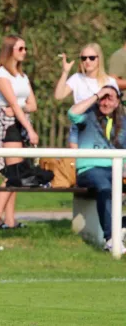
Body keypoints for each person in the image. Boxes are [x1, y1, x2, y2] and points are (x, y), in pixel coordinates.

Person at [68, 86, 126, 253]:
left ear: (117, 103)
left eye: (110, 98)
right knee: (104, 186)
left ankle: (121, 225)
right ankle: (111, 239)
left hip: (115, 169)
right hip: (90, 169)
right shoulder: (87, 116)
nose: (105, 102)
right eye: (103, 98)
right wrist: (97, 94)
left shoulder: (123, 122)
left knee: (110, 184)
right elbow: (72, 113)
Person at [0, 35, 38, 229]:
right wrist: (30, 129)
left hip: (20, 122)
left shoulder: (22, 76)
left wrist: (21, 109)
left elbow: (32, 105)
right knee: (12, 175)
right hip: (9, 125)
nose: (24, 52)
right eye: (20, 48)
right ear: (10, 50)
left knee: (16, 174)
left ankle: (10, 220)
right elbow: (12, 106)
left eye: (25, 48)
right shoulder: (1, 75)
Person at [54, 43, 118, 148]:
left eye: (92, 58)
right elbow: (58, 96)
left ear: (99, 59)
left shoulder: (110, 81)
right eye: (84, 58)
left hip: (103, 129)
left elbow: (116, 110)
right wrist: (65, 72)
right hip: (80, 127)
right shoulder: (77, 78)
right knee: (79, 162)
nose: (87, 61)